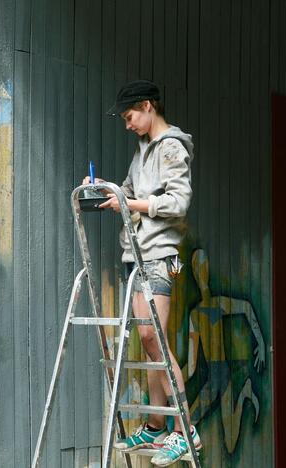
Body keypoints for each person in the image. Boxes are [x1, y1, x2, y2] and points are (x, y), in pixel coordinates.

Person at [83, 80, 201, 466]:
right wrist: (104, 191)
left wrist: (130, 201)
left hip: (159, 253)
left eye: (130, 116)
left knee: (153, 336)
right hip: (136, 252)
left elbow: (178, 201)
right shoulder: (143, 150)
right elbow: (129, 190)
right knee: (149, 342)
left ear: (149, 106)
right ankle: (155, 425)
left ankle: (185, 431)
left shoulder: (170, 146)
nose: (127, 124)